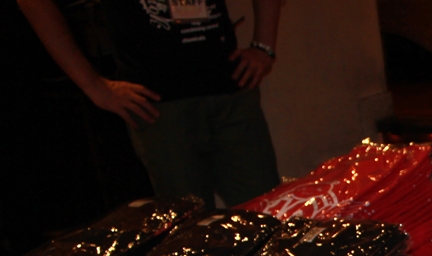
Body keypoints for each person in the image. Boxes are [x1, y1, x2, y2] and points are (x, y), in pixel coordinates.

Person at [18, 0, 283, 208]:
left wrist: (264, 46)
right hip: (158, 104)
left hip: (229, 86)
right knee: (187, 229)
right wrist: (93, 85)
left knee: (269, 213)